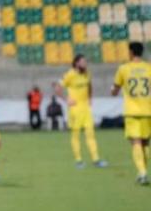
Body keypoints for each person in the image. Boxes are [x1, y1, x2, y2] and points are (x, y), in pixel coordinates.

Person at [111, 42, 151, 185]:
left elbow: (114, 90)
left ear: (131, 53)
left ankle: (142, 172)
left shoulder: (124, 69)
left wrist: (114, 91)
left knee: (135, 142)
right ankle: (143, 172)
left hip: (132, 111)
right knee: (145, 142)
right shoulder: (149, 68)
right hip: (148, 110)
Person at [56, 54, 107, 168]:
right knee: (76, 135)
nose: (85, 64)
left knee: (91, 134)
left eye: (86, 62)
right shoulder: (70, 74)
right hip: (75, 109)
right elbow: (58, 87)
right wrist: (66, 99)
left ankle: (96, 159)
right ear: (77, 63)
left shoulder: (87, 73)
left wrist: (90, 98)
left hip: (86, 109)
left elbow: (90, 85)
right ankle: (78, 160)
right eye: (83, 62)